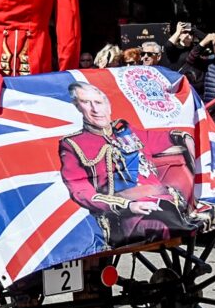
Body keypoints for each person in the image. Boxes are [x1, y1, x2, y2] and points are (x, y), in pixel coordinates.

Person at [58, 82, 190, 247]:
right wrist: (127, 205)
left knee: (194, 216)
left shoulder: (125, 130)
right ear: (77, 107)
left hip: (162, 201)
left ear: (108, 106)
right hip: (126, 215)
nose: (95, 109)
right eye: (86, 102)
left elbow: (158, 138)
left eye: (98, 103)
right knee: (165, 225)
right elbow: (80, 190)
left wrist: (184, 137)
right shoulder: (73, 144)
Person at [164, 21, 205, 93]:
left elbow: (207, 39)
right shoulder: (175, 49)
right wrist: (178, 32)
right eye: (185, 32)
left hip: (197, 88)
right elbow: (168, 45)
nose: (188, 35)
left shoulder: (197, 48)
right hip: (180, 87)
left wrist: (192, 29)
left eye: (190, 34)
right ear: (179, 35)